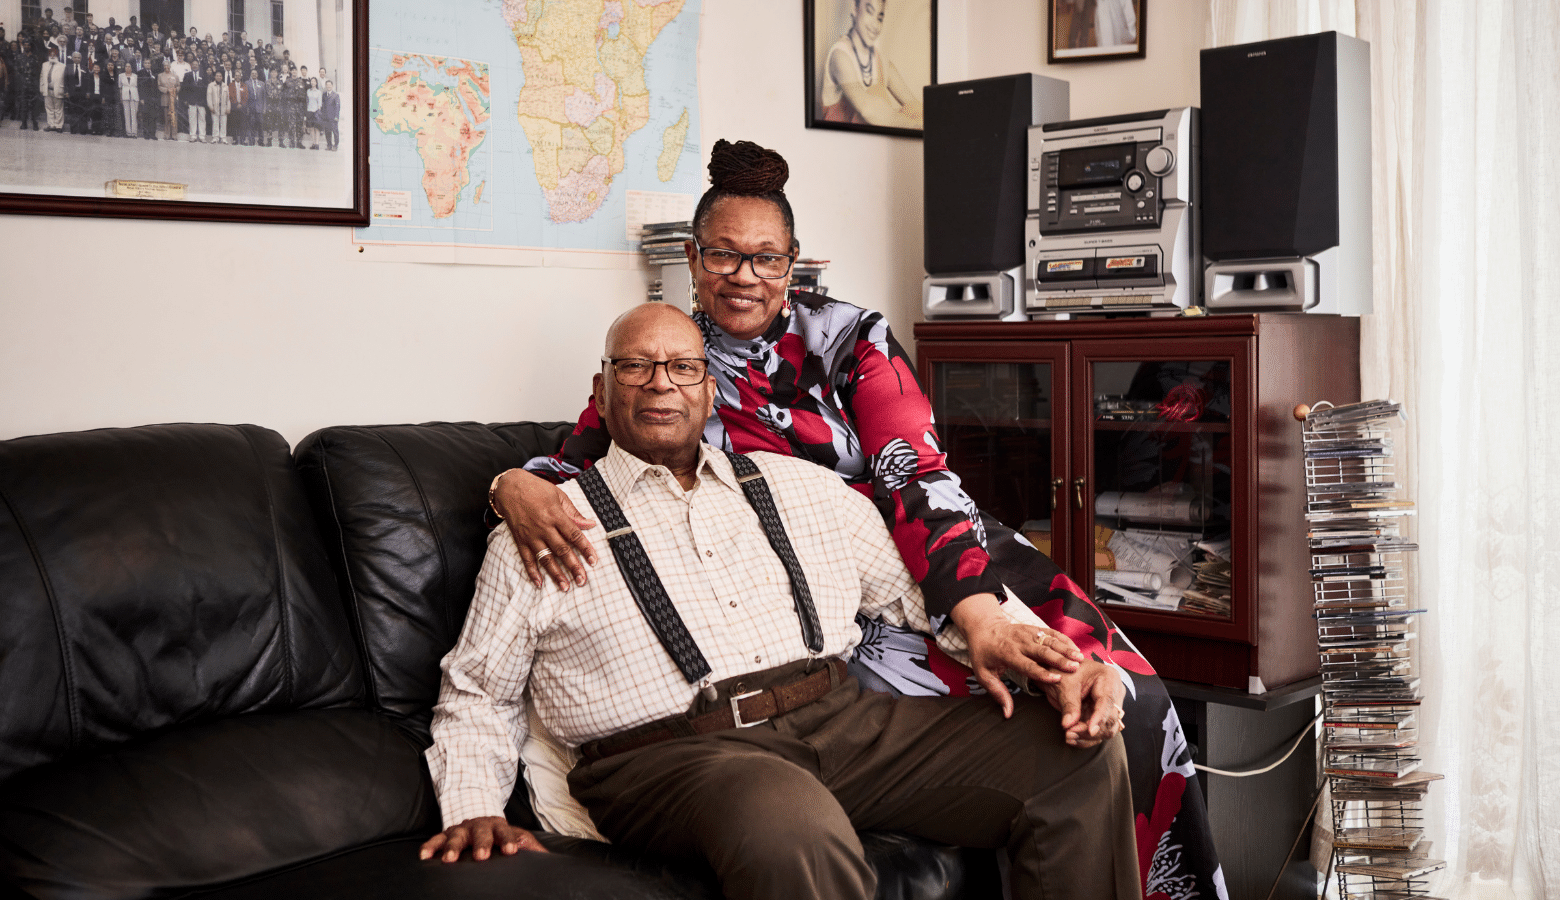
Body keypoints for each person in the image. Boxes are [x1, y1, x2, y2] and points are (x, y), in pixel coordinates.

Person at [491, 139, 1224, 896]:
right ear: (692, 257)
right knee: (1025, 715)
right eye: (723, 255)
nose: (744, 275)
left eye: (766, 257)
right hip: (833, 593)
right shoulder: (669, 360)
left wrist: (977, 612)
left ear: (794, 262)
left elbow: (916, 473)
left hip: (934, 549)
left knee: (1127, 700)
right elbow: (575, 464)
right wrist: (508, 484)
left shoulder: (847, 337)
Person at [420, 302, 1140, 900]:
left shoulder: (800, 488)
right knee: (783, 812)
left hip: (840, 722)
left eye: (682, 367)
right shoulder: (545, 525)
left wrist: (1052, 660)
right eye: (634, 366)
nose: (659, 384)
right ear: (602, 391)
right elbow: (478, 690)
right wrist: (474, 806)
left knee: (1073, 753)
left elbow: (923, 594)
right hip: (671, 756)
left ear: (708, 391)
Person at [818, 0, 921, 128]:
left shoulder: (880, 61)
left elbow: (912, 103)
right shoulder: (839, 55)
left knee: (916, 111)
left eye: (879, 18)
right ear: (854, 9)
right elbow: (867, 109)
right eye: (869, 12)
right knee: (875, 93)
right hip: (838, 143)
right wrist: (915, 125)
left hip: (873, 142)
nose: (875, 25)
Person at [180, 57, 205, 141]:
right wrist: (185, 100)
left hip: (201, 101)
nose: (195, 66)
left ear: (198, 66)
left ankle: (202, 136)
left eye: (196, 64)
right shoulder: (187, 75)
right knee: (192, 119)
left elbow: (205, 88)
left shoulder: (203, 75)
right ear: (191, 65)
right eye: (193, 64)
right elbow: (184, 88)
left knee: (202, 119)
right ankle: (193, 136)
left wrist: (205, 100)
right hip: (191, 101)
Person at [39, 43, 62, 131]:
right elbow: (41, 77)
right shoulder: (44, 65)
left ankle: (59, 126)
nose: (52, 56)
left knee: (58, 109)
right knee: (49, 109)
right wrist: (41, 88)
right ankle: (51, 125)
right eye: (51, 55)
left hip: (58, 90)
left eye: (54, 55)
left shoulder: (62, 66)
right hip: (47, 90)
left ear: (57, 56)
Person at [155, 57, 176, 139]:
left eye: (167, 65)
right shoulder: (160, 76)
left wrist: (174, 90)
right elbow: (159, 86)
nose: (166, 67)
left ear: (170, 66)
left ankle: (174, 134)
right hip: (165, 98)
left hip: (173, 98)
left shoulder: (174, 75)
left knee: (174, 117)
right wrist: (167, 90)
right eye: (165, 66)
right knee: (166, 117)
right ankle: (167, 134)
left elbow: (178, 85)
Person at [205, 66, 228, 143]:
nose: (219, 77)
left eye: (220, 76)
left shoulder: (225, 86)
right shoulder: (211, 85)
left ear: (222, 77)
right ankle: (215, 137)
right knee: (215, 122)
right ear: (215, 77)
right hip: (215, 107)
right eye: (217, 76)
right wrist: (211, 107)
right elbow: (209, 97)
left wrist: (228, 107)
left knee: (223, 123)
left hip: (223, 107)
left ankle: (223, 138)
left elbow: (228, 98)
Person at [318, 78, 339, 151]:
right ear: (326, 86)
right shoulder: (324, 95)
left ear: (332, 86)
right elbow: (323, 105)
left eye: (330, 85)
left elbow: (337, 106)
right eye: (327, 85)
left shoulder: (336, 95)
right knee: (327, 132)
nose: (328, 86)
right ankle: (329, 145)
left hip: (333, 117)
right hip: (325, 117)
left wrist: (336, 116)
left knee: (335, 132)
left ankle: (335, 145)